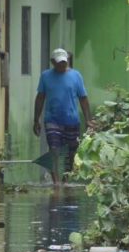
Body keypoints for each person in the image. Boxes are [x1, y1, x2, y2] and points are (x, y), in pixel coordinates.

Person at [33, 48, 95, 185]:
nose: (62, 65)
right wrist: (36, 119)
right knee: (54, 150)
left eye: (64, 62)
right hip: (52, 120)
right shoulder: (45, 76)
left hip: (72, 121)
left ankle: (65, 180)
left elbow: (83, 98)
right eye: (59, 63)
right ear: (53, 62)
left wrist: (88, 119)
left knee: (71, 154)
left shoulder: (76, 76)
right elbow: (40, 97)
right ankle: (56, 183)